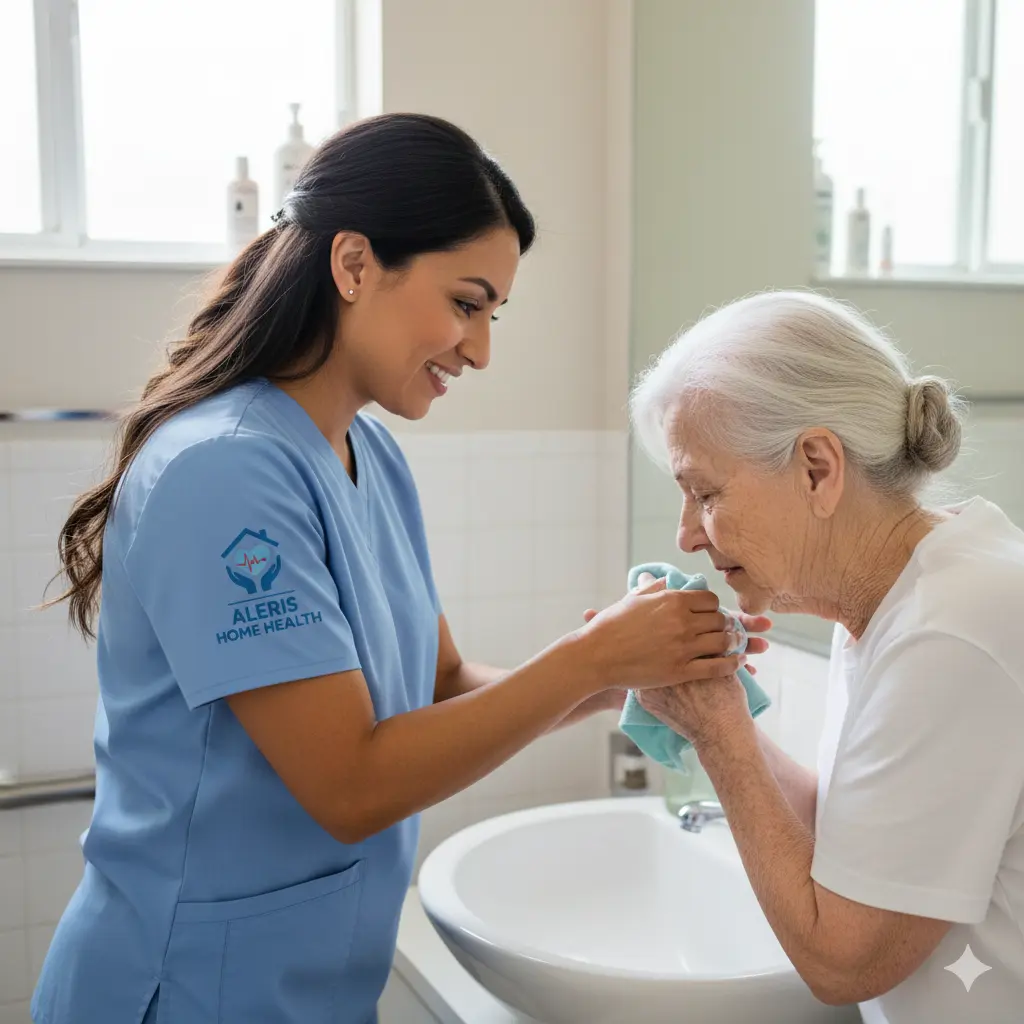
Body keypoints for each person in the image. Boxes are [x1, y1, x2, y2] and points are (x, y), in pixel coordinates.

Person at [32, 114, 762, 1024]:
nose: (482, 348)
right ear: (352, 266)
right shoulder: (222, 469)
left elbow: (443, 684)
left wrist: (635, 673)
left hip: (314, 989)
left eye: (494, 313)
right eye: (466, 303)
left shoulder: (368, 457)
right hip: (184, 986)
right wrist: (595, 660)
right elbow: (351, 785)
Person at [627, 289, 1024, 1023]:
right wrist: (704, 703)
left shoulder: (950, 630)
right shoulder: (897, 598)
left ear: (817, 467)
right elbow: (858, 843)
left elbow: (844, 961)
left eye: (705, 493)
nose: (687, 534)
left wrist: (719, 731)